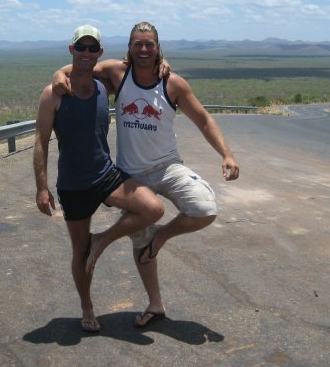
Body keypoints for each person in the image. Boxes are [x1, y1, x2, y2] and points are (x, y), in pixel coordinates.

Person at [53, 21, 240, 328]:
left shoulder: (173, 83)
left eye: (149, 44)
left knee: (205, 208)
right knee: (141, 236)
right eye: (137, 43)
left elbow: (203, 119)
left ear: (157, 47)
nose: (143, 49)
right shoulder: (118, 73)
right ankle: (156, 304)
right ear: (130, 47)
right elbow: (82, 64)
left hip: (167, 167)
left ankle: (127, 239)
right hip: (131, 174)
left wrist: (227, 154)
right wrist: (59, 74)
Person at [33, 24, 164, 333]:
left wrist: (163, 64)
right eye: (82, 47)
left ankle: (101, 240)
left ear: (100, 53)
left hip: (106, 174)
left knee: (152, 209)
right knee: (80, 252)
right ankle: (87, 306)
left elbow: (141, 70)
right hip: (74, 185)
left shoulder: (105, 85)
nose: (87, 53)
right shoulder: (54, 92)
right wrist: (41, 187)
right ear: (72, 50)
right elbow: (41, 140)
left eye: (93, 48)